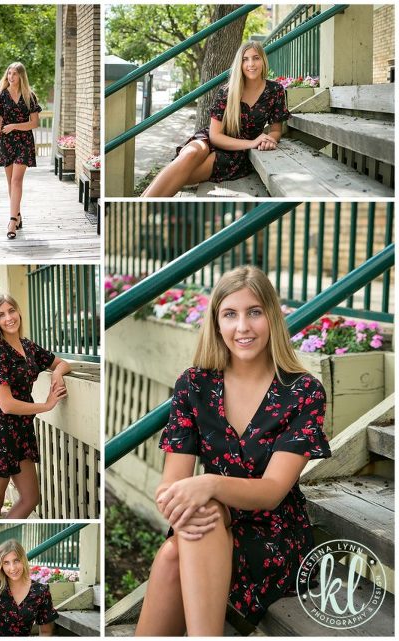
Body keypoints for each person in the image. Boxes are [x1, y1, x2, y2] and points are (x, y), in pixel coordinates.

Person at [135, 265, 330, 636]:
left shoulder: (303, 392)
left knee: (179, 546)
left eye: (254, 312)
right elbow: (170, 485)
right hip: (211, 524)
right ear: (216, 322)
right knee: (192, 529)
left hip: (274, 535)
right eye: (230, 314)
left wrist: (209, 484)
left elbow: (272, 492)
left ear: (272, 317)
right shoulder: (194, 384)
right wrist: (178, 499)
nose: (243, 327)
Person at [0, 294, 71, 518]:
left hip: (21, 430)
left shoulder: (28, 346)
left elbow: (62, 363)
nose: (9, 318)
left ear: (19, 312)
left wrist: (57, 375)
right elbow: (6, 405)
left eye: (11, 311)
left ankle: (4, 532)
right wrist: (47, 405)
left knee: (31, 498)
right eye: (2, 315)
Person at [143, 42, 290, 197]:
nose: (251, 64)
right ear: (239, 64)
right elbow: (215, 136)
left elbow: (276, 130)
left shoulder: (275, 90)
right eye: (245, 59)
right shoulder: (227, 92)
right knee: (190, 153)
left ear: (263, 60)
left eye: (256, 58)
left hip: (236, 154)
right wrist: (252, 143)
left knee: (180, 175)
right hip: (214, 139)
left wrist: (268, 140)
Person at [0, 62, 42, 240]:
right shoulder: (1, 96)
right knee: (11, 182)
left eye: (14, 74)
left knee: (17, 180)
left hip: (24, 141)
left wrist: (14, 126)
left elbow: (35, 123)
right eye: (9, 73)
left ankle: (12, 221)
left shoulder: (29, 96)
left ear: (21, 76)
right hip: (6, 142)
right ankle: (18, 215)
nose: (11, 77)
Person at [0, 540, 58, 636]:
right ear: (1, 565)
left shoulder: (41, 591)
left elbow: (46, 632)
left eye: (16, 561)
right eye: (6, 563)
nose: (12, 568)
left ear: (23, 560)